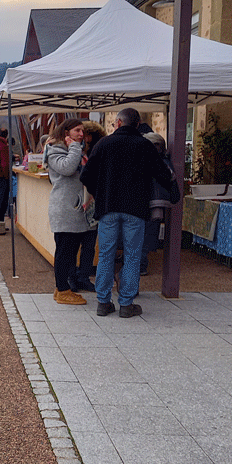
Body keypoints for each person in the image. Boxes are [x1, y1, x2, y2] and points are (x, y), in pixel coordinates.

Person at [80, 107, 178, 318]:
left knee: (106, 254)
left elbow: (86, 175)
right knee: (132, 256)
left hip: (108, 208)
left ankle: (103, 302)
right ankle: (126, 303)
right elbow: (162, 173)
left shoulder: (103, 144)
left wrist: (99, 193)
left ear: (117, 123)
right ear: (137, 124)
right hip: (136, 208)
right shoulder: (145, 145)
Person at [44, 118, 96, 305]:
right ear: (66, 133)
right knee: (64, 252)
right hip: (64, 209)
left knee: (70, 250)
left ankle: (61, 289)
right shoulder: (55, 150)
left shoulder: (72, 150)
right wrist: (75, 147)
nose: (81, 134)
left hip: (73, 209)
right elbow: (67, 168)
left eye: (82, 131)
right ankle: (63, 290)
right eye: (77, 131)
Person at [69, 120, 107, 293]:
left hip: (89, 200)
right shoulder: (81, 150)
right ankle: (79, 276)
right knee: (82, 242)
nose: (85, 137)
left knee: (87, 242)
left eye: (87, 134)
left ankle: (80, 276)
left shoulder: (93, 151)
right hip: (87, 200)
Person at [139, 132, 179, 275]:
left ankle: (140, 265)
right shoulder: (165, 162)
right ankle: (141, 265)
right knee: (147, 235)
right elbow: (172, 182)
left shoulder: (144, 160)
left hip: (144, 203)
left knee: (141, 236)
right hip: (157, 204)